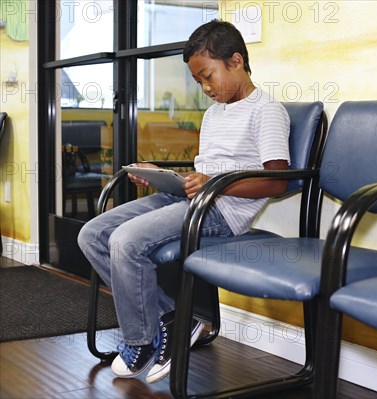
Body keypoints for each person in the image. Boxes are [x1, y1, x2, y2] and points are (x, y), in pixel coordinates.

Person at [78, 19, 290, 383]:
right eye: (198, 81)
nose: (205, 87)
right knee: (92, 234)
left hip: (220, 211)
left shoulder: (266, 111)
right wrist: (162, 174)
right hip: (189, 199)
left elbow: (276, 182)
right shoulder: (213, 114)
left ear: (236, 61)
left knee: (126, 242)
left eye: (208, 76)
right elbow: (202, 171)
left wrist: (216, 184)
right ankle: (173, 317)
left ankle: (142, 339)